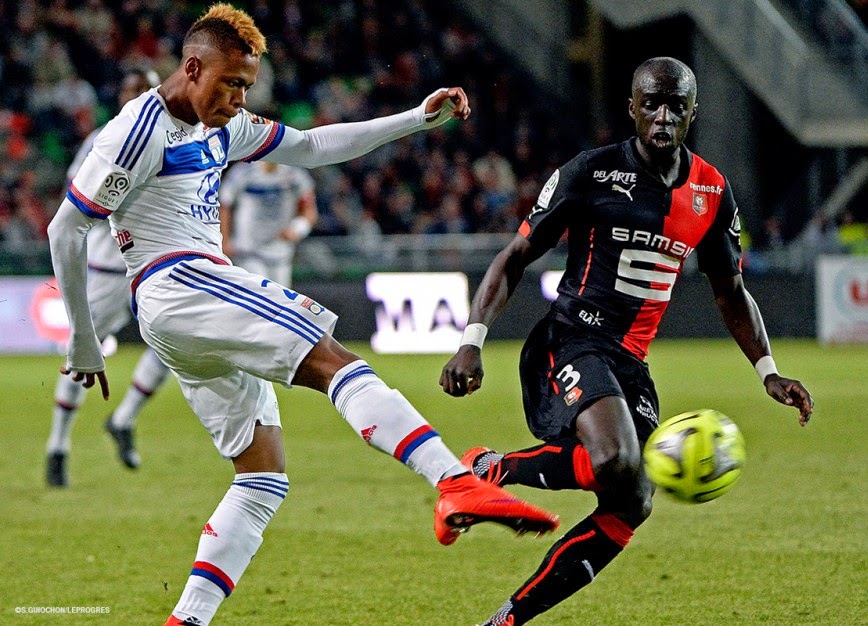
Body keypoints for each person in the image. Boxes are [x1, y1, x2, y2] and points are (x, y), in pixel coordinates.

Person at [45, 5, 558, 625]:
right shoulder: (138, 130)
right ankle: (453, 480)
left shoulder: (223, 127)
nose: (238, 99)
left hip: (183, 313)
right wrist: (84, 340)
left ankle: (188, 619)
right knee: (330, 356)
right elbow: (66, 227)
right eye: (229, 83)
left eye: (246, 87)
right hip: (180, 283)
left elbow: (313, 147)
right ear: (191, 66)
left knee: (261, 478)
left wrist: (414, 120)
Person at [440, 57, 815, 626]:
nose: (663, 116)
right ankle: (488, 473)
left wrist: (768, 370)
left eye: (676, 106)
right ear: (632, 108)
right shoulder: (590, 172)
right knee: (617, 456)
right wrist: (472, 340)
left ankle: (507, 617)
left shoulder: (711, 191)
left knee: (633, 498)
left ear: (693, 113)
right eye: (652, 103)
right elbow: (515, 256)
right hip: (568, 340)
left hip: (630, 363)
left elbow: (730, 290)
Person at [45, 68, 170, 487]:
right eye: (132, 89)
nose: (139, 96)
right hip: (110, 269)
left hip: (158, 265)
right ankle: (58, 446)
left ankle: (123, 418)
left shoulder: (176, 135)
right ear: (121, 95)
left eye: (145, 88)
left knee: (178, 345)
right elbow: (75, 200)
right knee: (81, 356)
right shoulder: (105, 137)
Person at [218, 160, 317, 288]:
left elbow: (310, 210)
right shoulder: (243, 171)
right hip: (248, 250)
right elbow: (224, 203)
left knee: (282, 301)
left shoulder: (295, 173)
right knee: (258, 297)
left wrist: (298, 229)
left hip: (280, 251)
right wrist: (224, 241)